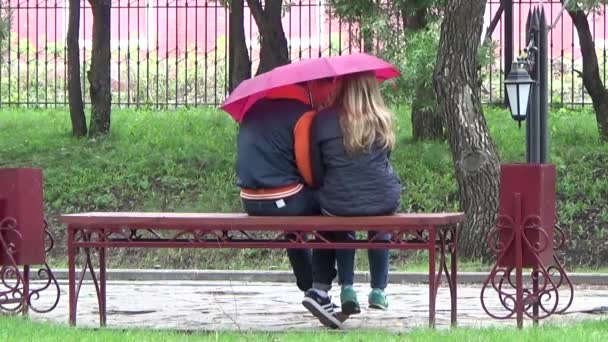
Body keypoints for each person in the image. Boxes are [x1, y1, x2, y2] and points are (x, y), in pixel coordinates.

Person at [236, 79, 343, 328]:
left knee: (293, 221)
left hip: (250, 201)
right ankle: (320, 289)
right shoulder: (302, 114)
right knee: (330, 211)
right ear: (308, 89)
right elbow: (309, 171)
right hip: (284, 199)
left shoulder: (253, 110)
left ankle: (308, 285)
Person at [301, 72, 402, 326]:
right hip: (383, 199)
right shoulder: (383, 118)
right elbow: (385, 159)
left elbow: (317, 168)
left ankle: (347, 288)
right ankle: (379, 290)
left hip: (338, 201)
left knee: (342, 226)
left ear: (342, 87)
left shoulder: (323, 120)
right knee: (380, 225)